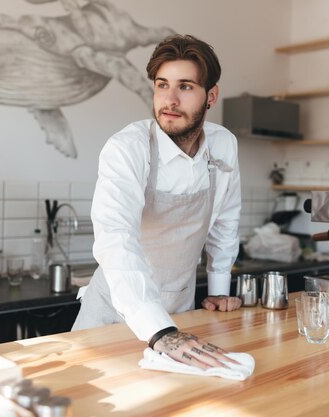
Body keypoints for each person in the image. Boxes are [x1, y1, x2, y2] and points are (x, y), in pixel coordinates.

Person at [73, 34, 242, 369]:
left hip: (181, 314)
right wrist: (158, 329)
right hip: (114, 315)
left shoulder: (223, 145)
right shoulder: (128, 148)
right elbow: (115, 239)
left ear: (211, 96)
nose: (170, 99)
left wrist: (219, 290)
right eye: (162, 85)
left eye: (186, 87)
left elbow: (225, 221)